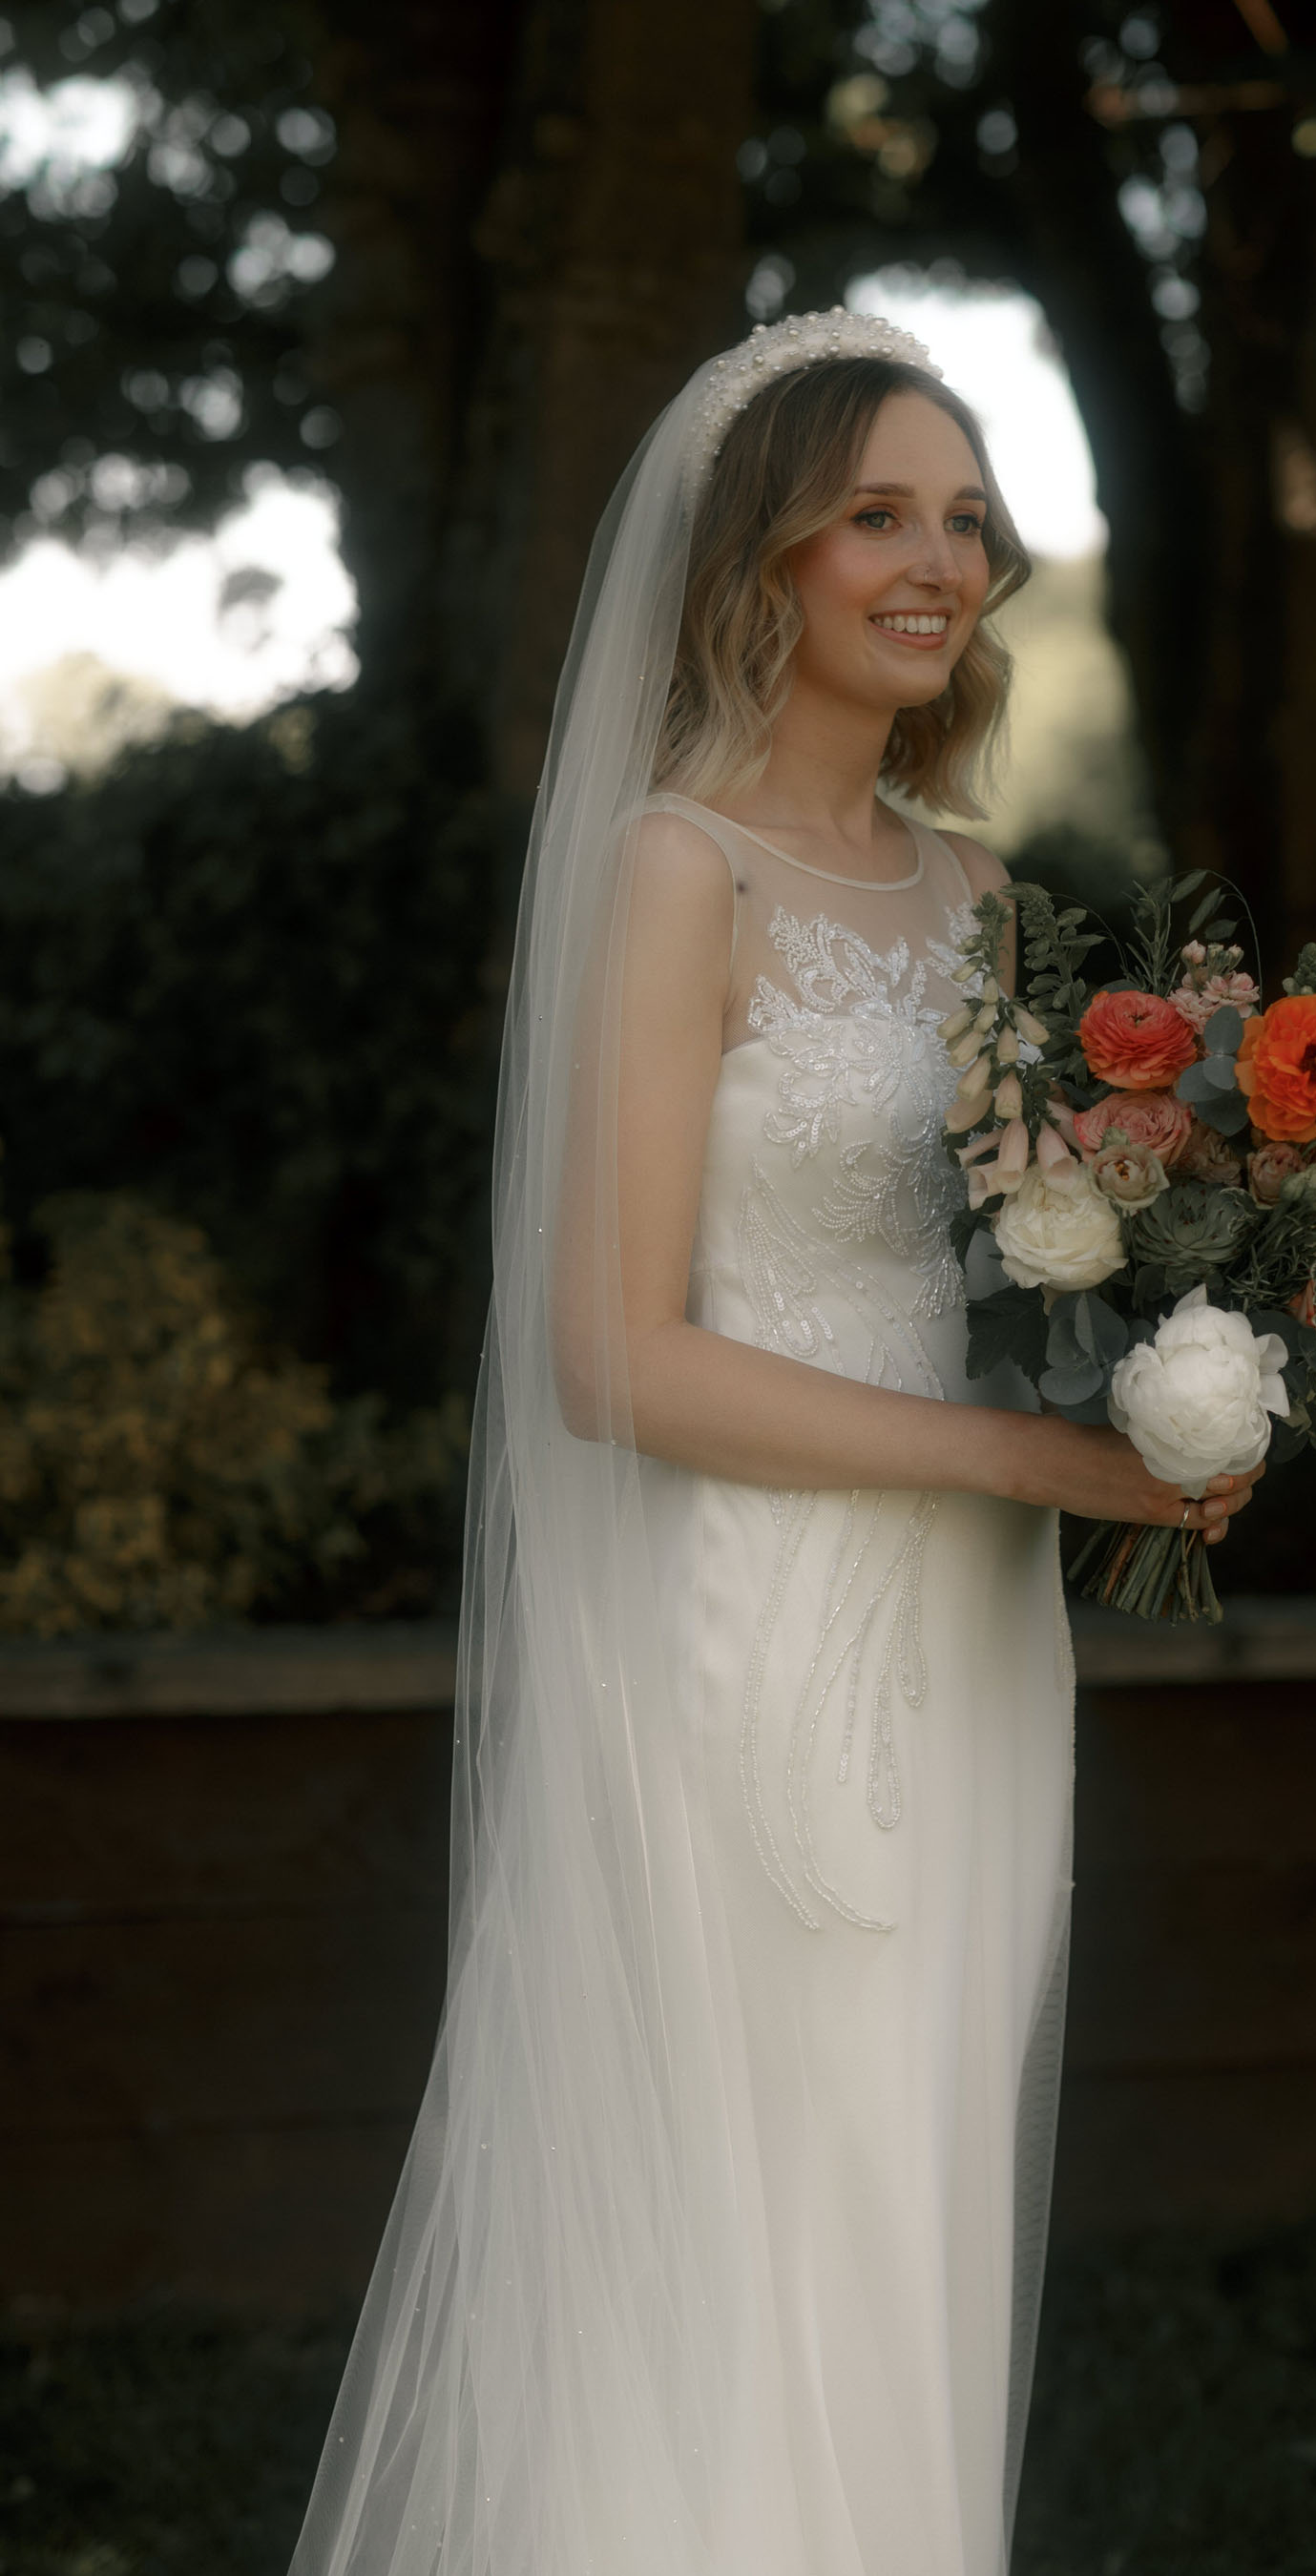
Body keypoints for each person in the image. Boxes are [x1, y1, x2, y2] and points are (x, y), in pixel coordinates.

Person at [288, 309, 1259, 2576]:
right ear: (765, 564)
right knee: (752, 2206)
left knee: (906, 2181)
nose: (942, 562)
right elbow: (615, 1360)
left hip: (972, 1631)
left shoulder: (983, 901)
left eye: (966, 518)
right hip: (753, 1632)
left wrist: (1195, 1365)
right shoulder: (674, 873)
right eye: (878, 515)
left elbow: (1028, 1270)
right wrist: (1033, 1470)